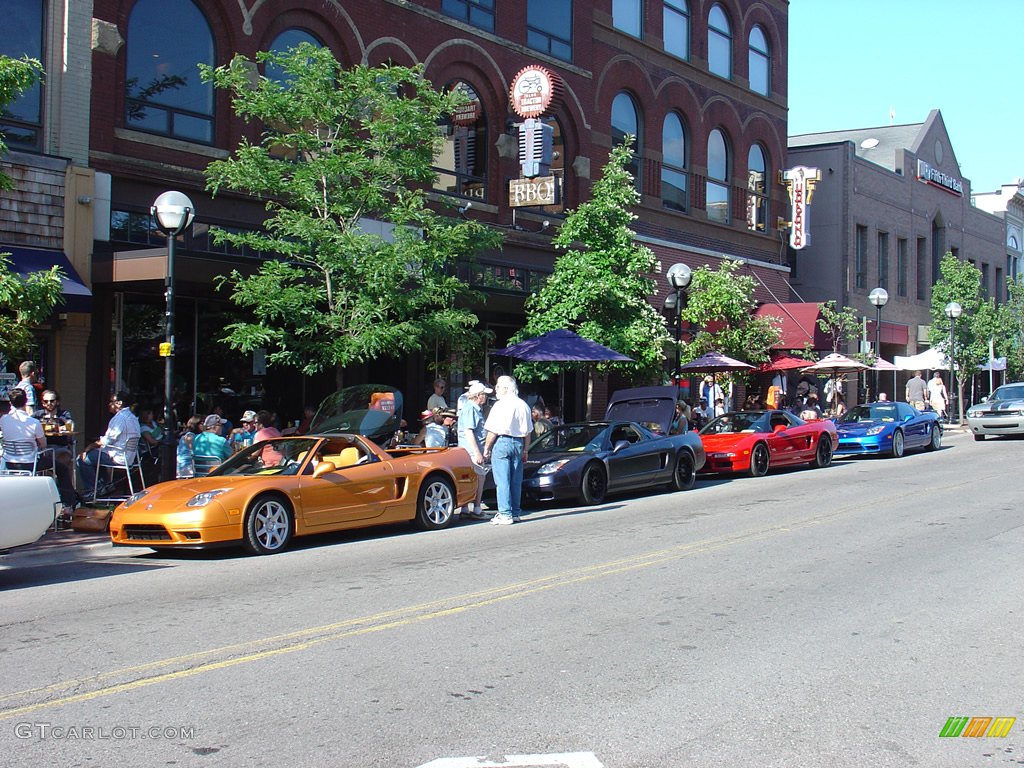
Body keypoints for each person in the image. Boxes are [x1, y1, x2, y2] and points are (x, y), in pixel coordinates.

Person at [3, 388, 76, 518]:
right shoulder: (34, 422)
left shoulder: (3, 420)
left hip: (10, 463)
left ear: (10, 403)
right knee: (63, 469)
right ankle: (68, 505)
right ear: (26, 402)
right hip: (30, 463)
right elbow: (43, 444)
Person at [483, 375, 533, 526]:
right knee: (515, 480)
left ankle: (505, 514)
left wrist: (486, 448)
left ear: (505, 388)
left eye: (497, 386)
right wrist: (526, 450)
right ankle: (515, 512)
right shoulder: (523, 405)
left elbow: (493, 430)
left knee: (502, 480)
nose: (495, 389)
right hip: (518, 442)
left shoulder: (500, 405)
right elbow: (528, 432)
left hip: (502, 442)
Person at [76, 391, 141, 499]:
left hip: (118, 456)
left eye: (111, 402)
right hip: (129, 456)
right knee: (95, 457)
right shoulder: (132, 417)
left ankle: (93, 491)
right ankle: (105, 486)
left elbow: (108, 440)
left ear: (119, 403)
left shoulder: (120, 418)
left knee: (82, 459)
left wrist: (90, 447)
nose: (109, 404)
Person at [457, 381, 492, 520]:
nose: (486, 397)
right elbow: (469, 432)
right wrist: (477, 452)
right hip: (472, 451)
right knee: (479, 478)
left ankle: (465, 509)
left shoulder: (471, 408)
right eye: (484, 394)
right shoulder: (471, 409)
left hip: (468, 450)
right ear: (478, 396)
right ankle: (477, 509)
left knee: (470, 479)